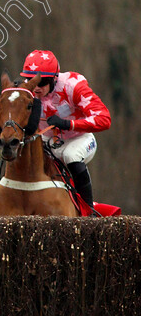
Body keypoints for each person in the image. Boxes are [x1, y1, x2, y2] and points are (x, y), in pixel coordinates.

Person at [20, 50, 111, 210]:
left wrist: (68, 124)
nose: (36, 88)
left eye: (42, 82)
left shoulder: (73, 86)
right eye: (30, 80)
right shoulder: (25, 90)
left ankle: (88, 212)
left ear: (54, 78)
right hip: (46, 140)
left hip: (78, 139)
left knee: (71, 156)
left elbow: (104, 119)